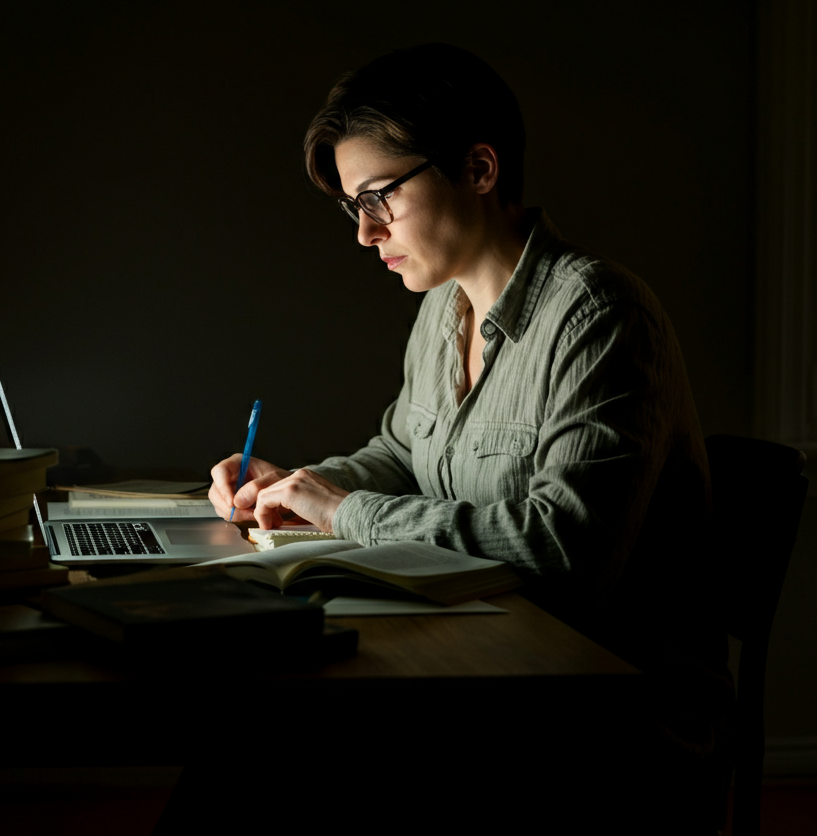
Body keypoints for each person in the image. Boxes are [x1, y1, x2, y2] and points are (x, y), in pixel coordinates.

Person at [206, 43, 732, 830]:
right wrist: (292, 489)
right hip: (485, 673)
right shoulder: (442, 309)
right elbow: (403, 454)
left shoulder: (602, 315)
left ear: (480, 170)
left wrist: (342, 510)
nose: (364, 232)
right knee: (251, 746)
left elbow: (565, 553)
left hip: (604, 719)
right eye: (353, 207)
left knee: (274, 756)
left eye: (380, 196)